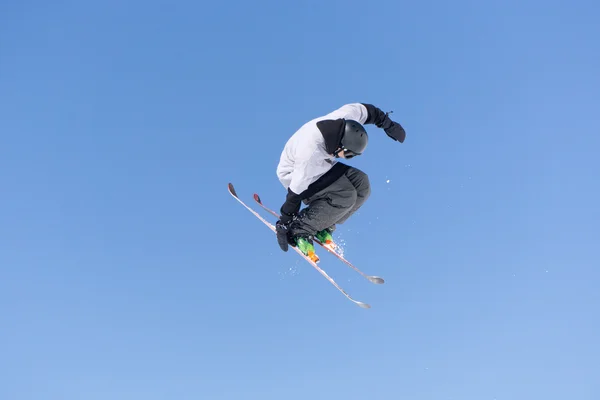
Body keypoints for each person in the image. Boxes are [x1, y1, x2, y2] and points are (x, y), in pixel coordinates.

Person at [275, 102, 406, 262]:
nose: (350, 158)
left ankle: (324, 223)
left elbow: (369, 111)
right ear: (340, 147)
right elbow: (295, 193)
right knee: (346, 195)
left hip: (323, 165)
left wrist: (389, 125)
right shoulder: (309, 155)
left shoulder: (345, 120)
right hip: (293, 173)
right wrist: (285, 222)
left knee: (362, 185)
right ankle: (302, 229)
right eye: (349, 155)